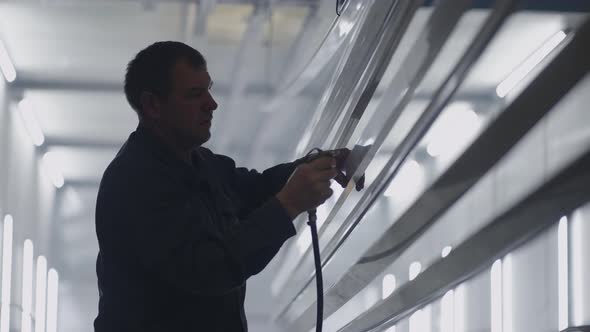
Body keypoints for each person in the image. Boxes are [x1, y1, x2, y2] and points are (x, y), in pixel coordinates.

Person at [94, 41, 351, 331]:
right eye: (194, 94)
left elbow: (255, 188)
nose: (211, 103)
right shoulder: (135, 181)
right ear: (153, 105)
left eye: (208, 89)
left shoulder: (201, 163)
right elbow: (208, 269)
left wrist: (312, 166)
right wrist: (289, 204)